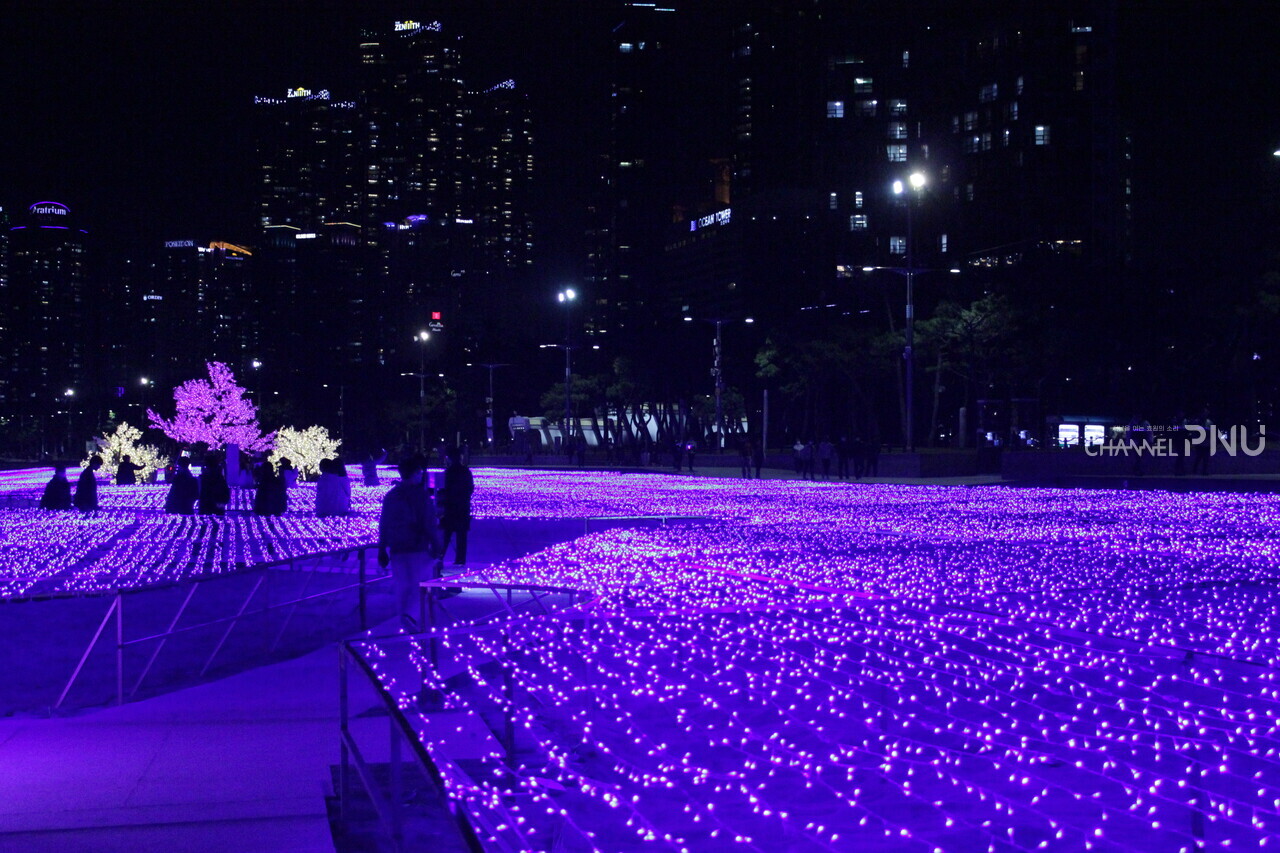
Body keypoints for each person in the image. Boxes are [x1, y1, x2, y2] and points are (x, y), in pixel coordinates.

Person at [378, 458, 440, 631]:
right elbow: (428, 522)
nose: (421, 475)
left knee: (402, 584)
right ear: (415, 473)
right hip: (417, 546)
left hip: (397, 548)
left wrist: (382, 548)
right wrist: (436, 544)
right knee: (420, 582)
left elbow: (384, 523)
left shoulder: (391, 495)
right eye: (419, 472)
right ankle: (411, 616)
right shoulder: (420, 495)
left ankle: (404, 617)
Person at [439, 446, 475, 566]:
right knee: (461, 537)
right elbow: (470, 489)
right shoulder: (466, 471)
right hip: (463, 508)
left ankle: (439, 559)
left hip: (450, 508)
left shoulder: (448, 473)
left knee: (445, 536)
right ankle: (460, 561)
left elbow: (443, 490)